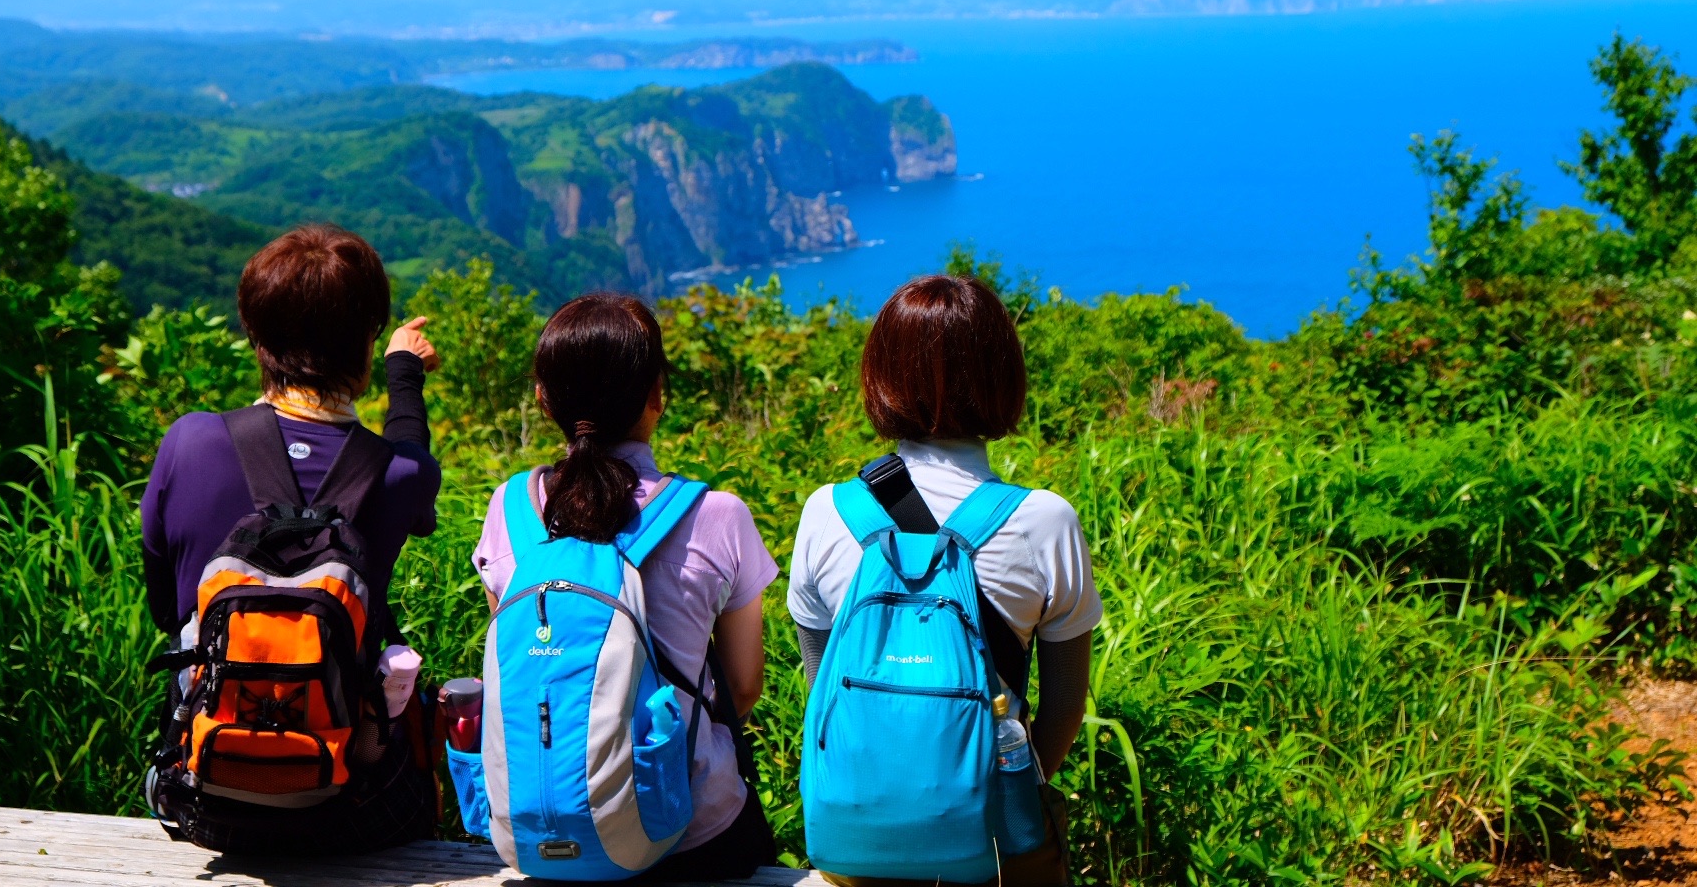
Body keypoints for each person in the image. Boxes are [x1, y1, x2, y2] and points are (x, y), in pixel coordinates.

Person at [788, 274, 1103, 887]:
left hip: (857, 844)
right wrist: (1000, 792)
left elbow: (821, 687)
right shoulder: (1044, 520)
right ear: (1004, 377)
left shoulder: (826, 512)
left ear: (879, 377)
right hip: (996, 849)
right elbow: (1065, 706)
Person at [140, 223, 442, 854]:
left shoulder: (190, 441)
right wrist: (404, 374)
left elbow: (168, 611)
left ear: (256, 336)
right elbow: (408, 454)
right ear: (366, 341)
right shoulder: (402, 474)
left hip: (203, 800)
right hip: (351, 810)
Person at [471, 293, 779, 881]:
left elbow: (520, 664)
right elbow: (742, 689)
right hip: (694, 832)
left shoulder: (508, 511)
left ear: (542, 399)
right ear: (657, 395)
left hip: (545, 834)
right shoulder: (716, 515)